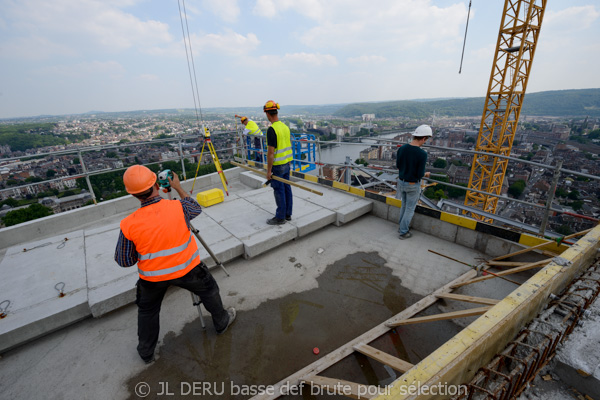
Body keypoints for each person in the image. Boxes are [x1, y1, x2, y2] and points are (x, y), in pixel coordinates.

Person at [114, 165, 235, 364]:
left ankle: (146, 352)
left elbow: (124, 260)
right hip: (188, 269)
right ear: (156, 184)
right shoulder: (179, 207)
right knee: (210, 290)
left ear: (134, 195)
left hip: (152, 278)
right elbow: (196, 208)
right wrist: (178, 188)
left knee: (147, 311)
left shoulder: (129, 224)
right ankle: (221, 322)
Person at [396, 125, 432, 239]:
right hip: (412, 184)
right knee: (410, 209)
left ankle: (401, 227)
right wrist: (426, 174)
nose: (425, 142)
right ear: (423, 138)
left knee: (404, 205)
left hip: (401, 182)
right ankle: (403, 231)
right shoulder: (422, 154)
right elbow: (420, 174)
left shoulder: (402, 148)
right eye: (426, 140)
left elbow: (398, 165)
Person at [264, 100, 293, 225]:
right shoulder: (285, 127)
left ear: (268, 114)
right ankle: (287, 214)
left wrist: (269, 171)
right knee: (287, 188)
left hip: (278, 165)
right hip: (287, 163)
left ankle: (280, 217)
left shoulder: (272, 130)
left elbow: (271, 153)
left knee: (278, 190)